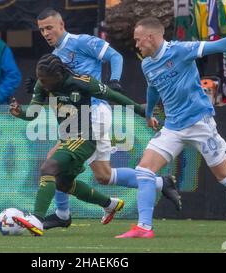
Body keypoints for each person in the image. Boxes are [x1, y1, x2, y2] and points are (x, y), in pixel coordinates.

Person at [116, 17, 226, 238]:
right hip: (172, 127)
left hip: (199, 123)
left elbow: (218, 45)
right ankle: (144, 227)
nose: (136, 45)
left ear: (150, 37)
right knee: (144, 170)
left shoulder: (181, 50)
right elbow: (153, 89)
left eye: (138, 40)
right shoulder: (147, 63)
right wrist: (150, 113)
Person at [31, 8, 181, 230]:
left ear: (61, 25)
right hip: (77, 116)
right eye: (42, 29)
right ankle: (161, 182)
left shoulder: (81, 42)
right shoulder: (55, 57)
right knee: (103, 175)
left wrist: (114, 80)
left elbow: (115, 56)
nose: (45, 32)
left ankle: (60, 214)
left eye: (49, 27)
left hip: (93, 114)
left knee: (54, 162)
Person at [9, 54, 147, 236]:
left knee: (49, 167)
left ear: (58, 76)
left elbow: (114, 96)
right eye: (39, 78)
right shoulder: (42, 85)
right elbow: (33, 112)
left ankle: (37, 219)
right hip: (68, 138)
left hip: (84, 138)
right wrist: (20, 113)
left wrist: (142, 111)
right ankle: (110, 204)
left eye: (45, 79)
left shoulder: (82, 82)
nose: (41, 82)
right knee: (62, 183)